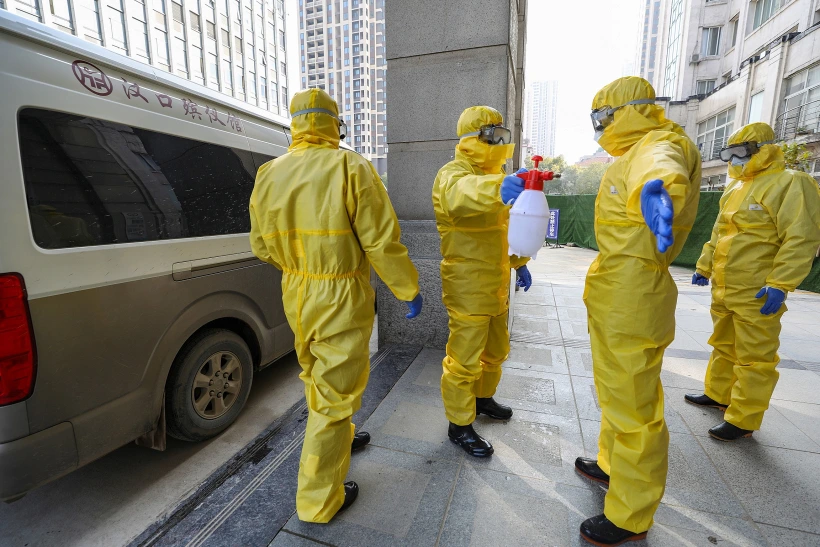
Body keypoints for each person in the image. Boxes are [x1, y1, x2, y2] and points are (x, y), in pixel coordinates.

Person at [249, 88, 423, 523]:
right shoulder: (349, 166)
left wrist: (298, 269)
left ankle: (341, 439)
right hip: (341, 292)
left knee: (315, 375)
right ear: (333, 124)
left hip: (297, 290)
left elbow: (260, 245)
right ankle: (318, 500)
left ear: (295, 123)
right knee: (334, 393)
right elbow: (381, 240)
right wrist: (408, 289)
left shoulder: (269, 172)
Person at [574, 77, 701, 546]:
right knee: (615, 392)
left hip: (634, 292)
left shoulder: (657, 144)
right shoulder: (631, 152)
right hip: (616, 289)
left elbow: (661, 167)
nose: (601, 126)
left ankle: (630, 515)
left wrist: (658, 189)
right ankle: (611, 467)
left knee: (634, 405)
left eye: (605, 115)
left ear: (628, 110)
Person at [687, 122, 820, 441]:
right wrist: (705, 266)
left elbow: (800, 236)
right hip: (725, 286)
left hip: (758, 288)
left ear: (764, 149)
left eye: (740, 153)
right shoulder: (735, 188)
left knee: (755, 355)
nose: (732, 161)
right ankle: (718, 394)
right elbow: (720, 232)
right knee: (723, 344)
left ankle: (744, 418)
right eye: (727, 154)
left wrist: (781, 282)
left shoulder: (790, 182)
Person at [432, 105, 532, 458]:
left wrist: (519, 263)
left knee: (495, 350)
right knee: (464, 359)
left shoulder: (499, 176)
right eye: (494, 136)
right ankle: (459, 424)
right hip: (467, 284)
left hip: (496, 283)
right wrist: (498, 187)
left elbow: (507, 228)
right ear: (474, 137)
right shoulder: (453, 173)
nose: (501, 143)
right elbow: (461, 195)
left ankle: (483, 399)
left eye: (503, 136)